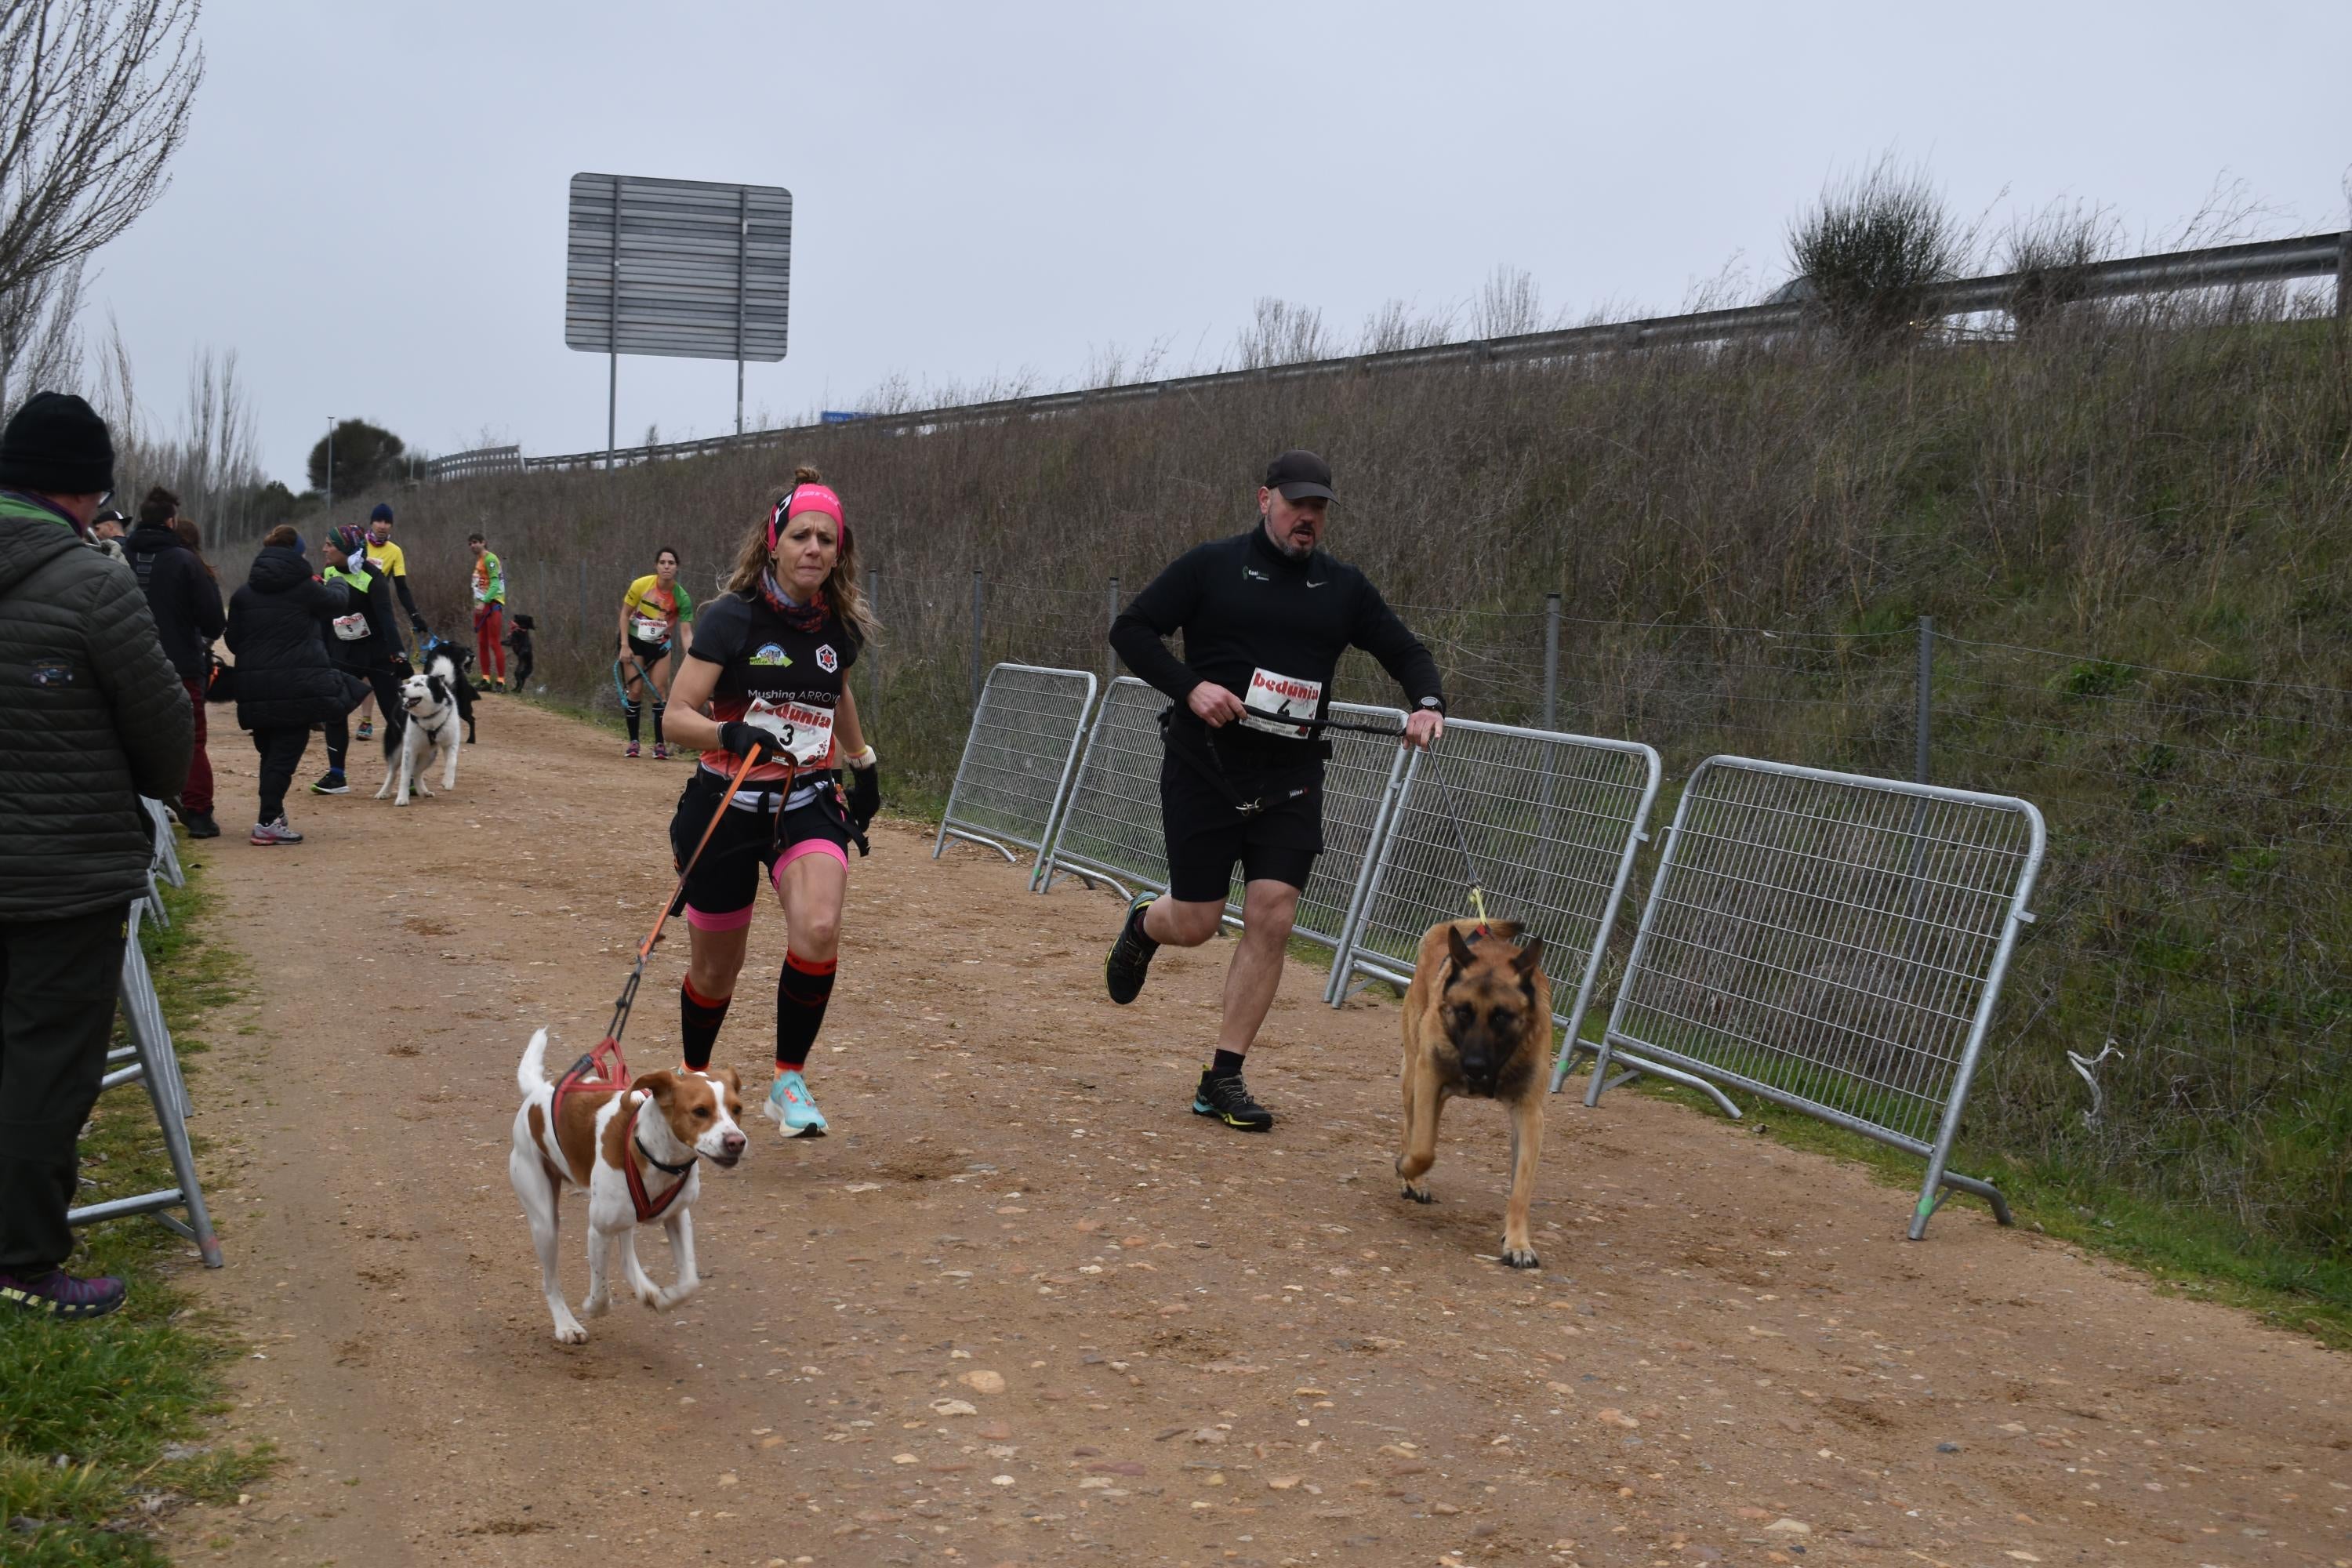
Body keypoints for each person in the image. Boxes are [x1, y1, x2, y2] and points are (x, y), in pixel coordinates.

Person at [1104, 449, 1444, 1132]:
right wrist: (1190, 688)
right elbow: (1131, 630)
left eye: (1319, 508)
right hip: (1206, 767)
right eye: (1297, 505)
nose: (1308, 519)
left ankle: (1222, 1078)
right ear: (1265, 499)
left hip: (1291, 777)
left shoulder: (1343, 588)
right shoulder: (1212, 566)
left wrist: (1427, 702)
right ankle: (1147, 921)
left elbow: (1405, 651)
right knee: (1198, 923)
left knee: (1273, 915)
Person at [0, 390, 193, 1319]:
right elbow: (165, 739)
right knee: (45, 1061)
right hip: (59, 871)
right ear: (83, 494)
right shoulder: (93, 581)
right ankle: (24, 1259)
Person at [658, 465, 881, 1140]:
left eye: (826, 538)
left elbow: (832, 688)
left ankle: (788, 1079)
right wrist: (729, 731)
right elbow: (675, 716)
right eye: (802, 535)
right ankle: (693, 1079)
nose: (813, 547)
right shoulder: (730, 618)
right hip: (725, 803)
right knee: (714, 971)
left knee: (818, 927)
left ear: (839, 552)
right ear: (774, 542)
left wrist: (862, 760)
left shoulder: (839, 626)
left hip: (805, 798)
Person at [226, 525, 359, 844]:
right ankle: (268, 821)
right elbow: (337, 604)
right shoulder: (305, 589)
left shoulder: (243, 594)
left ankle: (272, 814)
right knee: (284, 756)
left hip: (255, 689)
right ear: (296, 554)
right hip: (295, 686)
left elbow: (232, 641)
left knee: (270, 754)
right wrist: (338, 578)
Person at [122, 487, 227, 838]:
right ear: (171, 521)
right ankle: (198, 814)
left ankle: (127, 812)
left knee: (123, 739)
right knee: (191, 741)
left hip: (123, 665)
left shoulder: (118, 557)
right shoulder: (186, 562)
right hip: (179, 665)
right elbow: (214, 621)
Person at [311, 524, 405, 796]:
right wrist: (321, 649)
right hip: (343, 654)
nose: (324, 549)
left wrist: (399, 656)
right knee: (335, 711)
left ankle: (406, 775)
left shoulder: (373, 578)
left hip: (377, 654)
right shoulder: (327, 573)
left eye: (330, 545)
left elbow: (387, 619)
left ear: (346, 549)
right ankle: (337, 776)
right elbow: (324, 615)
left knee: (393, 713)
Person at [616, 546, 695, 758]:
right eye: (663, 562)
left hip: (660, 647)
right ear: (656, 566)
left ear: (677, 567)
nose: (666, 567)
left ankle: (659, 744)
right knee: (635, 690)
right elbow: (624, 615)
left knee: (660, 692)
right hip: (634, 643)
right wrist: (624, 644)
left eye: (671, 563)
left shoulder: (682, 598)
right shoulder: (641, 585)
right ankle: (634, 742)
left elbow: (686, 633)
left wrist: (695, 657)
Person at [356, 503, 426, 739]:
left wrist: (414, 614)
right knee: (357, 668)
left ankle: (369, 722)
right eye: (379, 521)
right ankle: (344, 715)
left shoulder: (395, 551)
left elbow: (402, 588)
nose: (383, 526)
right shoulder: (358, 544)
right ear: (372, 522)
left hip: (378, 616)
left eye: (387, 522)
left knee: (376, 668)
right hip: (354, 613)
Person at [469, 532, 507, 692]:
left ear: (484, 542)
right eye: (470, 543)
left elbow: (495, 583)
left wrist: (484, 602)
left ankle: (501, 681)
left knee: (494, 642)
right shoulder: (479, 561)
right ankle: (485, 679)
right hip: (481, 607)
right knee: (482, 643)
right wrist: (478, 604)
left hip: (492, 605)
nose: (473, 545)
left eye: (476, 542)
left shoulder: (490, 559)